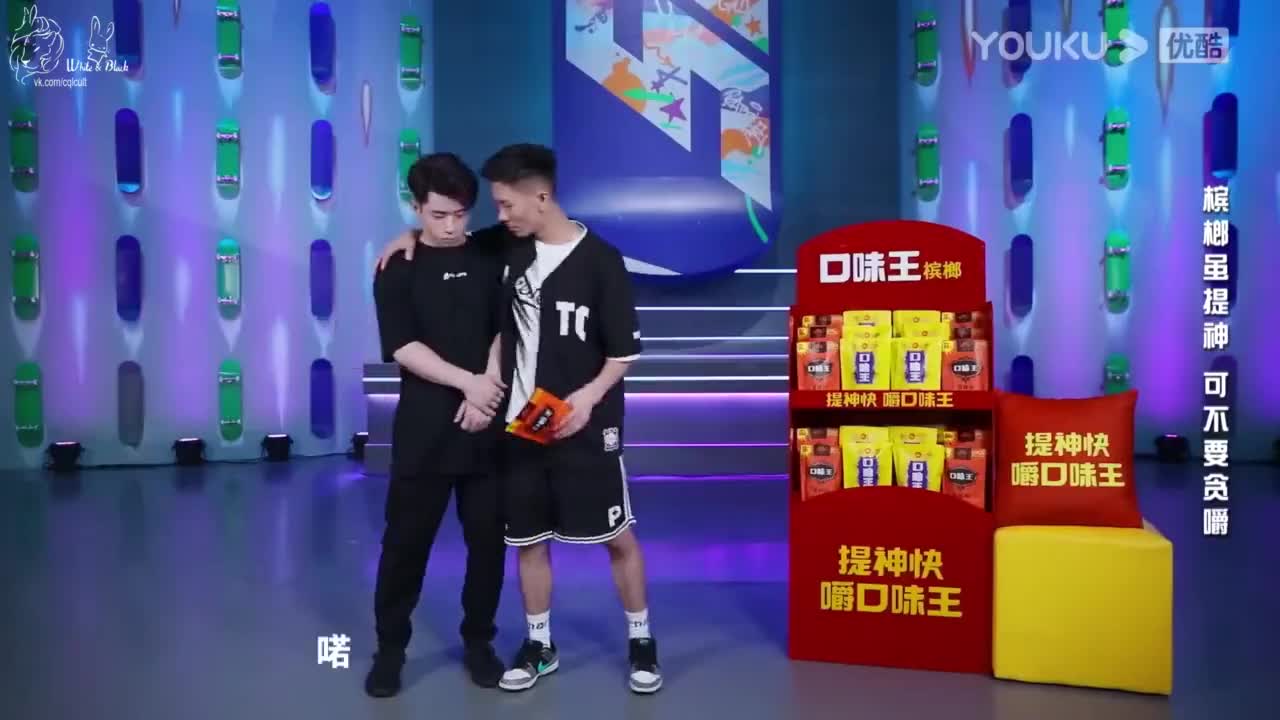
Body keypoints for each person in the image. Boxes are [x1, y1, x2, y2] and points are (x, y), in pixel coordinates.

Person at [376, 143, 663, 694]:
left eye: (497, 206)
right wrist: (407, 236)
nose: (487, 218)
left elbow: (609, 348)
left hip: (550, 426)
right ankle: (512, 646)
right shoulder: (483, 251)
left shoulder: (576, 258)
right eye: (440, 214)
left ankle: (633, 641)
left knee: (589, 539)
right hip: (479, 432)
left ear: (541, 197)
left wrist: (571, 397)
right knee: (494, 542)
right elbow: (417, 325)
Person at [366, 152, 510, 697]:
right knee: (405, 545)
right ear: (416, 207)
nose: (451, 226)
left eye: (461, 214)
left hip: (486, 422)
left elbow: (506, 327)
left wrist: (487, 386)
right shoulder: (396, 267)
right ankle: (390, 650)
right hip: (425, 429)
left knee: (488, 545)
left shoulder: (492, 251)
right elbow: (404, 346)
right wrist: (468, 383)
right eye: (438, 215)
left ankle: (479, 643)